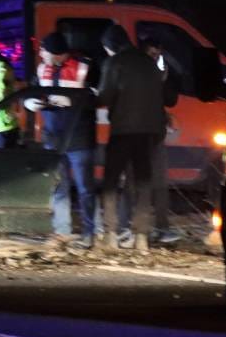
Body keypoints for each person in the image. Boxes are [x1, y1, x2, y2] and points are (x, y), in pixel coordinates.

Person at [96, 25, 172, 254]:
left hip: (122, 131)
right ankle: (141, 237)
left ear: (110, 46)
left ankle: (111, 235)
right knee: (143, 183)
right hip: (149, 133)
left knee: (111, 183)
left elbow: (104, 96)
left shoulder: (114, 62)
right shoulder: (150, 63)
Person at [29, 32, 96, 249]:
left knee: (85, 188)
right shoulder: (42, 68)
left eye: (44, 51)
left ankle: (91, 232)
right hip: (54, 137)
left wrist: (74, 101)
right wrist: (31, 101)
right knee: (59, 186)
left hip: (79, 137)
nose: (41, 55)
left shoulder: (84, 66)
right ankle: (62, 232)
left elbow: (97, 97)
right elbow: (34, 90)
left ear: (58, 53)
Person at [137, 33, 181, 244]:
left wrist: (166, 79)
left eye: (157, 54)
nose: (154, 58)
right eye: (151, 54)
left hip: (156, 136)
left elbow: (170, 100)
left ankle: (162, 228)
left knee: (161, 184)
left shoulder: (161, 74)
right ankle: (140, 230)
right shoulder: (134, 73)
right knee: (142, 184)